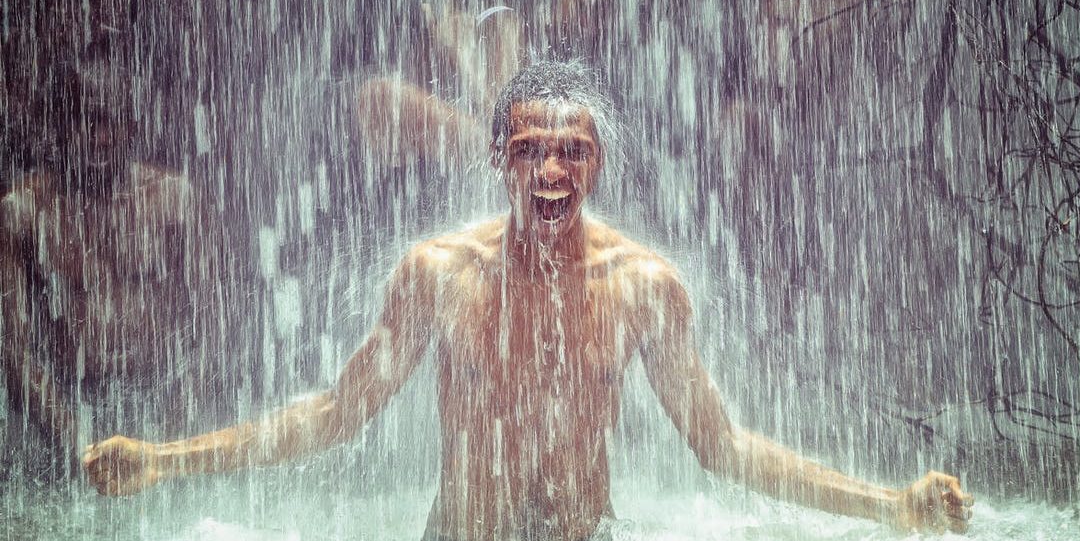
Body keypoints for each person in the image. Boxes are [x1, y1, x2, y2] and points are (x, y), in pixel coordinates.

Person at [83, 61, 973, 538]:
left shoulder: (644, 289)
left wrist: (892, 506)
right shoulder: (438, 273)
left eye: (572, 151)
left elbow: (725, 447)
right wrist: (165, 460)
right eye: (530, 149)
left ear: (597, 164)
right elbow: (332, 414)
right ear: (500, 160)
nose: (551, 170)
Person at [0, 57, 237, 479]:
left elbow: (215, 331)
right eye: (88, 121)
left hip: (162, 397)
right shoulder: (24, 213)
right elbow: (14, 352)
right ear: (59, 126)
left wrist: (161, 449)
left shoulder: (176, 201)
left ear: (132, 125)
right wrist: (80, 448)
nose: (103, 137)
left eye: (115, 121)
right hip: (66, 408)